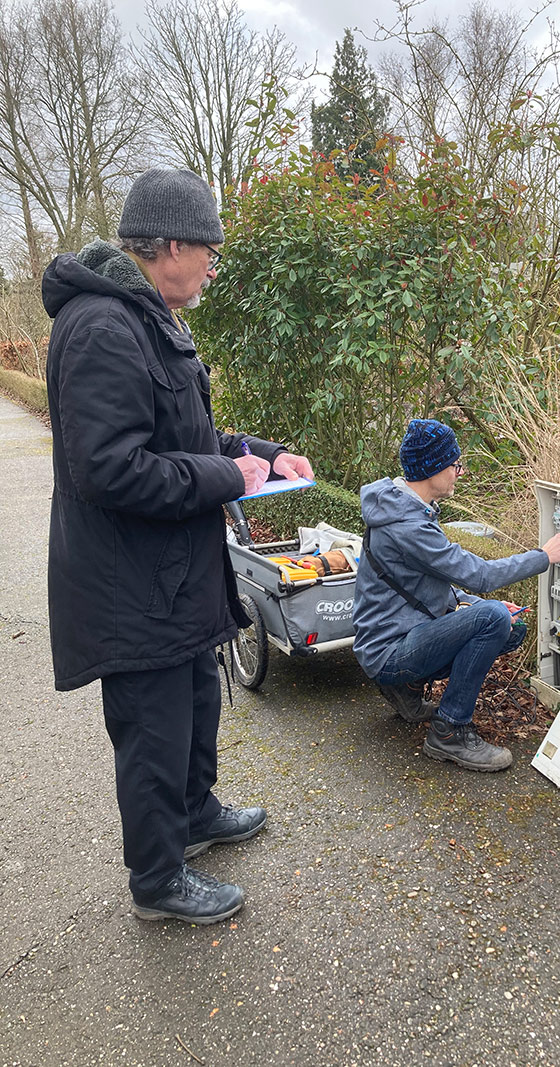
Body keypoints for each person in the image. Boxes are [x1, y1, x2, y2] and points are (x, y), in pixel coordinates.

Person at [42, 168, 313, 924]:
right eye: (209, 250)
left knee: (195, 703)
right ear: (169, 247)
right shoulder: (103, 326)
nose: (214, 266)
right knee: (154, 731)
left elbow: (185, 437)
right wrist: (225, 474)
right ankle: (157, 880)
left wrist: (262, 452)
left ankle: (197, 815)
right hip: (133, 585)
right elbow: (108, 469)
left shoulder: (152, 317)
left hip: (175, 577)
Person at [353, 418, 560, 772]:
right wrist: (543, 556)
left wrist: (471, 605)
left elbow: (426, 584)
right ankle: (450, 730)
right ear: (433, 469)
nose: (460, 472)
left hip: (397, 635)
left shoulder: (404, 507)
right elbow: (481, 575)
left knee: (509, 626)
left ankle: (407, 689)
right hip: (389, 651)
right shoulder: (409, 525)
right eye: (455, 464)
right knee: (493, 618)